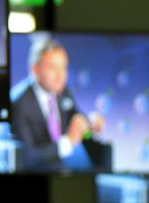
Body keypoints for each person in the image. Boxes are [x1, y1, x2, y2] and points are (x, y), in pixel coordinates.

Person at [11, 37, 105, 171]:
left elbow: (76, 120)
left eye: (64, 67)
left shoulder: (63, 92)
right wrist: (67, 142)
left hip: (61, 170)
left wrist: (91, 125)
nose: (60, 75)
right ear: (35, 69)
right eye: (53, 68)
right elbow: (25, 158)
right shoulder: (18, 103)